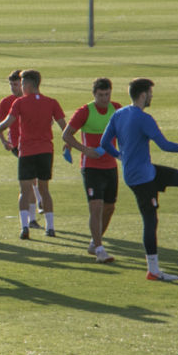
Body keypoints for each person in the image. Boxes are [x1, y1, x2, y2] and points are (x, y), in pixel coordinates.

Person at [98, 78, 178, 281]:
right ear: (143, 95)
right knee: (150, 220)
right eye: (150, 93)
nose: (151, 96)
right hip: (142, 179)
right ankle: (153, 270)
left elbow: (104, 143)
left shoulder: (119, 114)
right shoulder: (143, 119)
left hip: (143, 172)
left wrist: (121, 156)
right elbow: (164, 145)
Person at [0, 69, 66, 239]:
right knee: (44, 190)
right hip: (46, 151)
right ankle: (50, 227)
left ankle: (25, 227)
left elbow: (7, 122)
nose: (21, 87)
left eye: (22, 83)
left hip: (27, 152)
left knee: (24, 190)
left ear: (28, 85)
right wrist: (68, 142)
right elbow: (64, 127)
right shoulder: (52, 102)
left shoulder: (20, 103)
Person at [62, 78, 122, 264]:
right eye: (101, 95)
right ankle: (99, 249)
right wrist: (85, 150)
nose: (105, 98)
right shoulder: (85, 111)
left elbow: (124, 131)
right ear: (94, 95)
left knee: (109, 208)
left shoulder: (117, 109)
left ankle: (94, 243)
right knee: (95, 207)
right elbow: (66, 134)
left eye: (107, 94)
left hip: (111, 166)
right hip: (91, 167)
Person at [0, 69, 42, 229]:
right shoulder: (6, 102)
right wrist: (3, 142)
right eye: (11, 84)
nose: (13, 88)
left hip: (34, 143)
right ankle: (34, 214)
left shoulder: (33, 100)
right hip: (17, 144)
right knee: (29, 179)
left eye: (16, 84)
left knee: (31, 179)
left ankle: (35, 210)